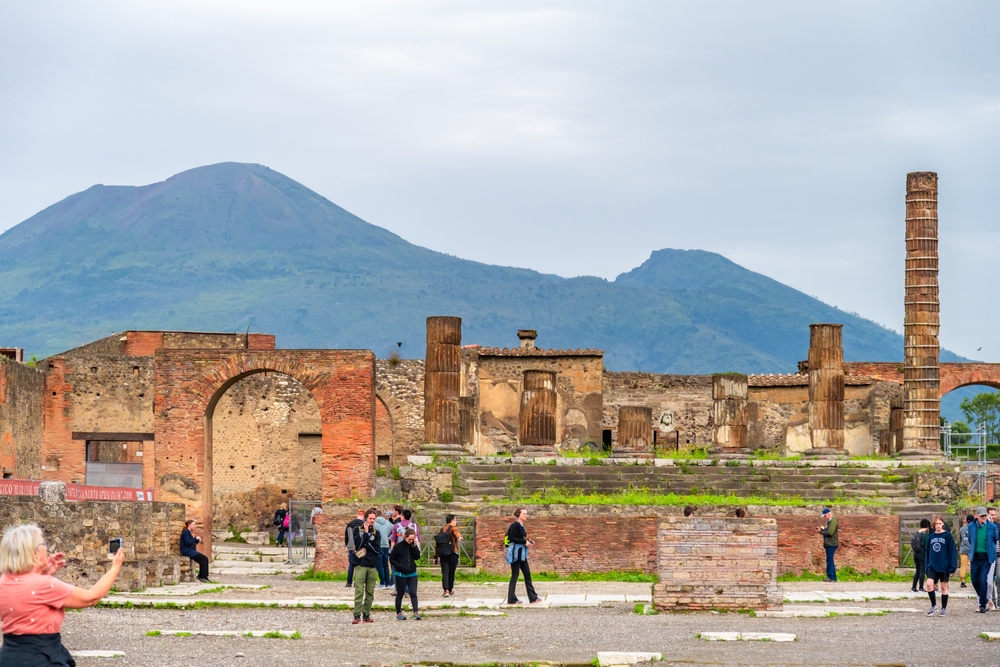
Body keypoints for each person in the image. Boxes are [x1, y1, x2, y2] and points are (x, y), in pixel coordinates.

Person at [0, 524, 125, 667]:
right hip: (41, 657)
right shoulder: (44, 585)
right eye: (43, 544)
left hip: (9, 656)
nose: (46, 548)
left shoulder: (4, 581)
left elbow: (26, 597)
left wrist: (42, 572)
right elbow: (91, 597)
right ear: (33, 552)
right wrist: (115, 568)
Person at [351, 508, 381, 624]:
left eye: (374, 519)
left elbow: (376, 549)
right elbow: (358, 545)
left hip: (372, 565)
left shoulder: (376, 533)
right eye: (370, 518)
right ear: (366, 518)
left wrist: (366, 540)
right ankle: (357, 615)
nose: (372, 521)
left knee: (370, 591)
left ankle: (367, 614)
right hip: (361, 564)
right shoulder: (357, 530)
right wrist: (365, 535)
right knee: (359, 590)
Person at [505, 507, 540, 605]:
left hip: (522, 553)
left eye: (526, 514)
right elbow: (512, 538)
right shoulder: (515, 525)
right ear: (518, 515)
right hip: (516, 554)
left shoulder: (521, 526)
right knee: (515, 575)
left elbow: (521, 538)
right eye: (524, 514)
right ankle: (511, 599)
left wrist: (528, 541)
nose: (526, 515)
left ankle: (533, 598)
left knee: (527, 574)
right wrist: (524, 542)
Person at [924, 513, 957, 616]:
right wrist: (927, 566)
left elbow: (952, 552)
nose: (938, 525)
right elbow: (928, 553)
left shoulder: (947, 536)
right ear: (934, 525)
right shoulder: (930, 537)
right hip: (933, 566)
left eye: (940, 523)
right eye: (936, 524)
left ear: (943, 524)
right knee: (929, 584)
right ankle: (933, 605)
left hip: (944, 566)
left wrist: (952, 567)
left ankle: (943, 608)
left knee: (944, 587)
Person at [968, 505, 998, 613]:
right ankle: (984, 599)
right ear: (977, 516)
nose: (983, 517)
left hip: (986, 557)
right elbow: (971, 540)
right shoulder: (971, 526)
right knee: (974, 579)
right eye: (981, 516)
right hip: (975, 557)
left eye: (985, 516)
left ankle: (981, 605)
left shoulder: (992, 526)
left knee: (983, 580)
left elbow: (995, 539)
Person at [390, 528, 422, 621]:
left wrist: (414, 545)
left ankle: (416, 611)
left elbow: (417, 557)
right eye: (409, 539)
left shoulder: (412, 545)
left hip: (412, 573)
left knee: (413, 593)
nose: (410, 541)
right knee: (400, 593)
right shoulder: (398, 547)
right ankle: (398, 612)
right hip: (401, 573)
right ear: (405, 537)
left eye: (412, 539)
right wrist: (399, 566)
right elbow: (392, 559)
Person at [435, 514, 462, 597]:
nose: (456, 522)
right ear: (452, 521)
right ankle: (450, 589)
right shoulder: (453, 528)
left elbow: (437, 545)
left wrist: (435, 556)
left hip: (443, 554)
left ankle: (446, 590)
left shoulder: (440, 530)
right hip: (452, 553)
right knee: (451, 572)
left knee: (445, 572)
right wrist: (459, 537)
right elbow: (456, 532)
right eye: (455, 520)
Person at [180, 519, 212, 583]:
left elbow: (192, 543)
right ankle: (202, 576)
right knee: (204, 559)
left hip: (190, 550)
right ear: (189, 525)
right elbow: (187, 542)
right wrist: (195, 539)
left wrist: (196, 540)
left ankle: (204, 576)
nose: (195, 526)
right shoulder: (186, 532)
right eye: (193, 525)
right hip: (187, 551)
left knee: (204, 559)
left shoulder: (188, 532)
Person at [374, 510, 394, 590]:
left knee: (380, 565)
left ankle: (382, 583)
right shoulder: (387, 522)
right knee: (386, 565)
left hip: (378, 545)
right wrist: (388, 536)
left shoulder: (374, 523)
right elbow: (394, 529)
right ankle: (388, 583)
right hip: (386, 545)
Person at [344, 509, 364, 588]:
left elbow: (346, 536)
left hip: (351, 546)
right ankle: (357, 582)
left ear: (357, 515)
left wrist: (347, 544)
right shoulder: (363, 524)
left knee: (351, 564)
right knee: (359, 565)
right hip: (360, 546)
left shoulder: (349, 524)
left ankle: (349, 582)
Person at [817, 507, 838, 583]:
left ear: (829, 514)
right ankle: (831, 576)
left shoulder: (833, 521)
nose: (824, 518)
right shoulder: (829, 522)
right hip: (829, 543)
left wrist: (821, 532)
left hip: (831, 543)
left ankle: (832, 577)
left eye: (825, 516)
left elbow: (830, 532)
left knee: (830, 560)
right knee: (829, 560)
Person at [911, 519, 930, 592]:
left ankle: (913, 587)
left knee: (917, 571)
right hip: (922, 554)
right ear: (927, 526)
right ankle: (921, 587)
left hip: (916, 554)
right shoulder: (925, 535)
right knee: (922, 571)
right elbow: (926, 546)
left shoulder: (916, 533)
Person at [959, 514, 973, 589]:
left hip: (963, 549)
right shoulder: (975, 528)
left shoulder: (962, 529)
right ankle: (973, 578)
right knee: (974, 565)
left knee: (963, 565)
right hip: (972, 549)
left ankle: (962, 580)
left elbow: (960, 539)